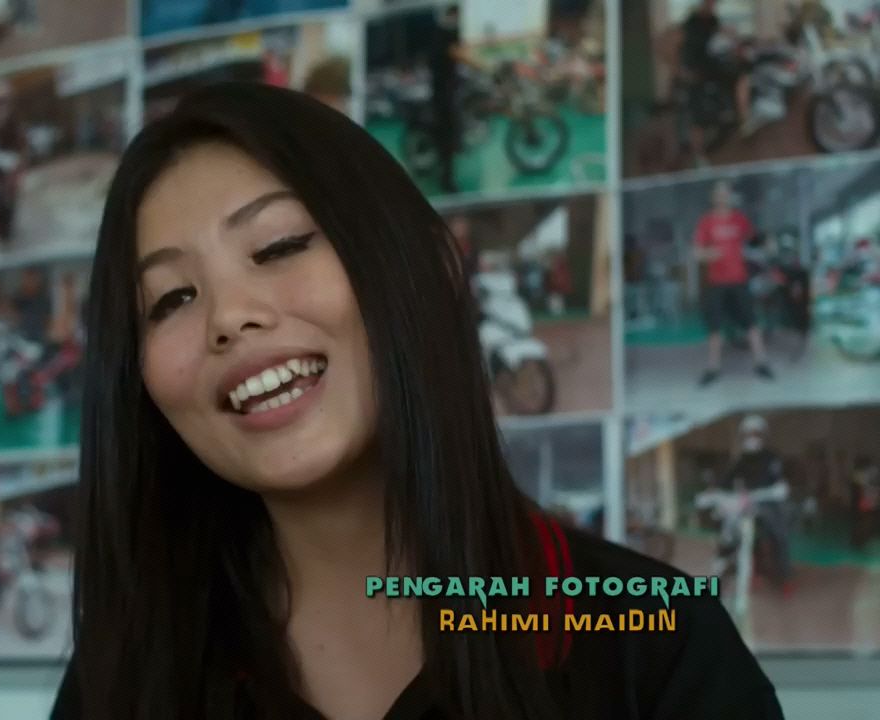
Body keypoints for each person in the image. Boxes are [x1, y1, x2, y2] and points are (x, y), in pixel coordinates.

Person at [51, 82, 782, 719]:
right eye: (171, 298)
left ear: (430, 266)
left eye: (278, 246)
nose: (228, 316)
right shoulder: (124, 674)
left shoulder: (655, 641)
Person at [694, 181, 773, 386]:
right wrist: (708, 254)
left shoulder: (739, 219)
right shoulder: (706, 222)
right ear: (713, 197)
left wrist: (768, 243)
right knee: (715, 327)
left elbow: (755, 239)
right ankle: (713, 368)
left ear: (730, 196)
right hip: (716, 283)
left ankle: (761, 363)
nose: (722, 197)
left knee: (751, 323)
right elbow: (697, 253)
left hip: (739, 281)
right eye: (718, 193)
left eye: (725, 193)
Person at [711, 414, 793, 595]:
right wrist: (717, 492)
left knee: (778, 534)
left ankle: (785, 577)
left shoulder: (771, 458)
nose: (752, 438)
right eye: (748, 434)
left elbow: (780, 483)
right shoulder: (742, 459)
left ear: (763, 436)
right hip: (749, 503)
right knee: (738, 532)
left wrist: (777, 490)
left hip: (770, 502)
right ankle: (752, 571)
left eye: (756, 434)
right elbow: (726, 480)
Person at [678, 0, 752, 162]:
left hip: (711, 67)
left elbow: (717, 43)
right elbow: (693, 50)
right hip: (699, 71)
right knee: (698, 118)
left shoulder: (713, 21)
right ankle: (698, 157)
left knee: (740, 75)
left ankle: (741, 118)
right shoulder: (692, 24)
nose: (712, 5)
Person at [428, 3, 468, 194]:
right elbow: (459, 54)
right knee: (448, 135)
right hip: (443, 93)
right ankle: (447, 179)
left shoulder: (447, 32)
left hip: (448, 88)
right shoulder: (443, 34)